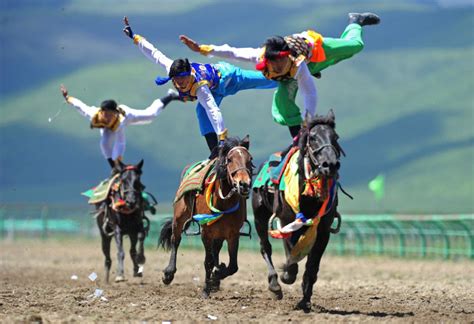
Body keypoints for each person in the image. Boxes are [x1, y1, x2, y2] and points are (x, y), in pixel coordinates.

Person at [180, 12, 380, 138]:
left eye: (282, 61)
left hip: (317, 51)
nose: (278, 65)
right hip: (291, 78)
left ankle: (355, 22)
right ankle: (298, 139)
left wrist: (308, 117)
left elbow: (309, 93)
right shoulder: (260, 57)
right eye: (275, 62)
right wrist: (204, 49)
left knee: (355, 46)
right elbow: (232, 52)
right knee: (282, 103)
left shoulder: (296, 64)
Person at [122, 17, 277, 156]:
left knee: (263, 79)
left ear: (189, 74)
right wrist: (134, 37)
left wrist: (222, 137)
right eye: (177, 79)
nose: (180, 83)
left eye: (183, 78)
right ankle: (214, 153)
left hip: (229, 79)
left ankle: (288, 78)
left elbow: (213, 110)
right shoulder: (171, 67)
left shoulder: (199, 86)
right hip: (215, 89)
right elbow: (154, 53)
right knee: (201, 112)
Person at [60, 84, 179, 168]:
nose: (106, 117)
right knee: (104, 143)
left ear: (115, 113)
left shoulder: (120, 120)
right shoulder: (94, 114)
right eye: (104, 113)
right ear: (101, 111)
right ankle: (113, 168)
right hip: (107, 128)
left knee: (151, 116)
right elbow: (79, 105)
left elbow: (120, 143)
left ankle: (170, 96)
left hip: (128, 117)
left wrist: (118, 160)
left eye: (109, 114)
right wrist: (67, 97)